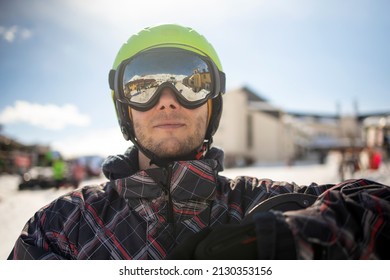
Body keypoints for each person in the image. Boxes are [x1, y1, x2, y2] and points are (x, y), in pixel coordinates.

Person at [8, 24, 390, 260]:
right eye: (143, 85)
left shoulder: (264, 205)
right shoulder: (63, 227)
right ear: (124, 107)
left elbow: (376, 209)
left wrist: (295, 239)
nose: (169, 98)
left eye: (193, 82)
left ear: (213, 105)